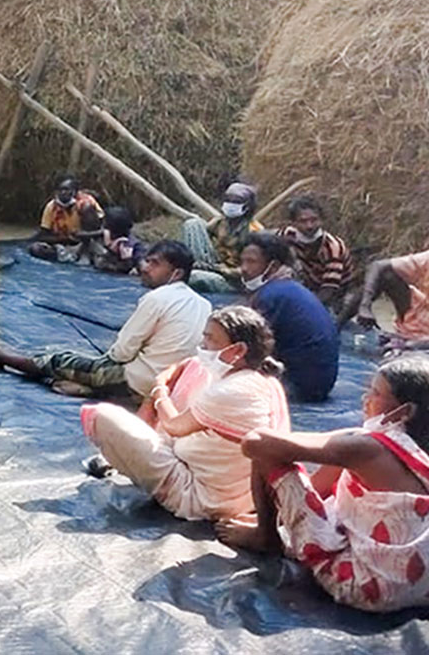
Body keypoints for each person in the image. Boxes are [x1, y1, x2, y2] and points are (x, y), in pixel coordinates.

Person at [216, 356, 429, 613]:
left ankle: (266, 534)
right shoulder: (411, 447)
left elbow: (255, 441)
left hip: (370, 588)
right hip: (418, 586)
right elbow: (344, 448)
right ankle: (282, 521)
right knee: (341, 453)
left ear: (404, 411)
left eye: (375, 393)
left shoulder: (368, 448)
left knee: (266, 452)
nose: (365, 399)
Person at [81, 306, 291, 520]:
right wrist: (164, 384)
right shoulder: (263, 380)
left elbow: (175, 425)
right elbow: (188, 364)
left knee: (102, 415)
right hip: (241, 496)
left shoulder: (232, 391)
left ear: (237, 351)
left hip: (203, 498)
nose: (202, 345)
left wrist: (158, 390)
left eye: (209, 339)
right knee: (196, 367)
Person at [0, 240, 212, 398]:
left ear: (176, 273)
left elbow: (121, 352)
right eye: (147, 261)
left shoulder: (157, 297)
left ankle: (4, 357)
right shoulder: (204, 304)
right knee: (98, 371)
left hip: (143, 381)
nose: (145, 268)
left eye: (154, 264)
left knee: (62, 360)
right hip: (175, 386)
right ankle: (95, 389)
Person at [239, 231, 339, 402]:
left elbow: (247, 347)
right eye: (242, 261)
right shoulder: (286, 288)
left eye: (251, 262)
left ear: (273, 266)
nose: (244, 268)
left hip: (301, 386)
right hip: (321, 381)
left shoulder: (271, 296)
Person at [182, 181, 262, 292]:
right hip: (216, 266)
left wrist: (226, 271)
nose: (230, 204)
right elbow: (202, 235)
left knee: (194, 277)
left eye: (235, 201)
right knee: (193, 224)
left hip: (234, 280)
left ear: (247, 206)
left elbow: (255, 269)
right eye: (228, 200)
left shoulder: (254, 231)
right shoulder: (221, 222)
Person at [278, 196, 353, 312]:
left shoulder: (332, 247)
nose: (309, 226)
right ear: (293, 223)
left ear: (322, 220)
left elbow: (329, 289)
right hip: (306, 282)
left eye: (314, 220)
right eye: (303, 221)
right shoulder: (287, 235)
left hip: (335, 291)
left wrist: (304, 307)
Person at [353, 249, 429, 355]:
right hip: (419, 318)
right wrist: (365, 307)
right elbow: (378, 266)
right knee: (386, 275)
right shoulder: (426, 258)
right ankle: (336, 327)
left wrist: (414, 344)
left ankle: (411, 342)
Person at [28, 174, 103, 262]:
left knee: (86, 208)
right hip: (65, 243)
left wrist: (84, 235)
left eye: (67, 189)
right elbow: (44, 233)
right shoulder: (51, 206)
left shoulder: (86, 202)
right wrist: (65, 238)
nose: (63, 193)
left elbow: (101, 228)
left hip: (87, 242)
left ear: (75, 191)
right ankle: (70, 256)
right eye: (60, 190)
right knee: (36, 249)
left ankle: (86, 253)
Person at [90, 205, 145, 275]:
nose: (102, 225)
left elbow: (142, 265)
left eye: (104, 224)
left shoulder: (133, 247)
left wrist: (126, 260)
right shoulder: (107, 235)